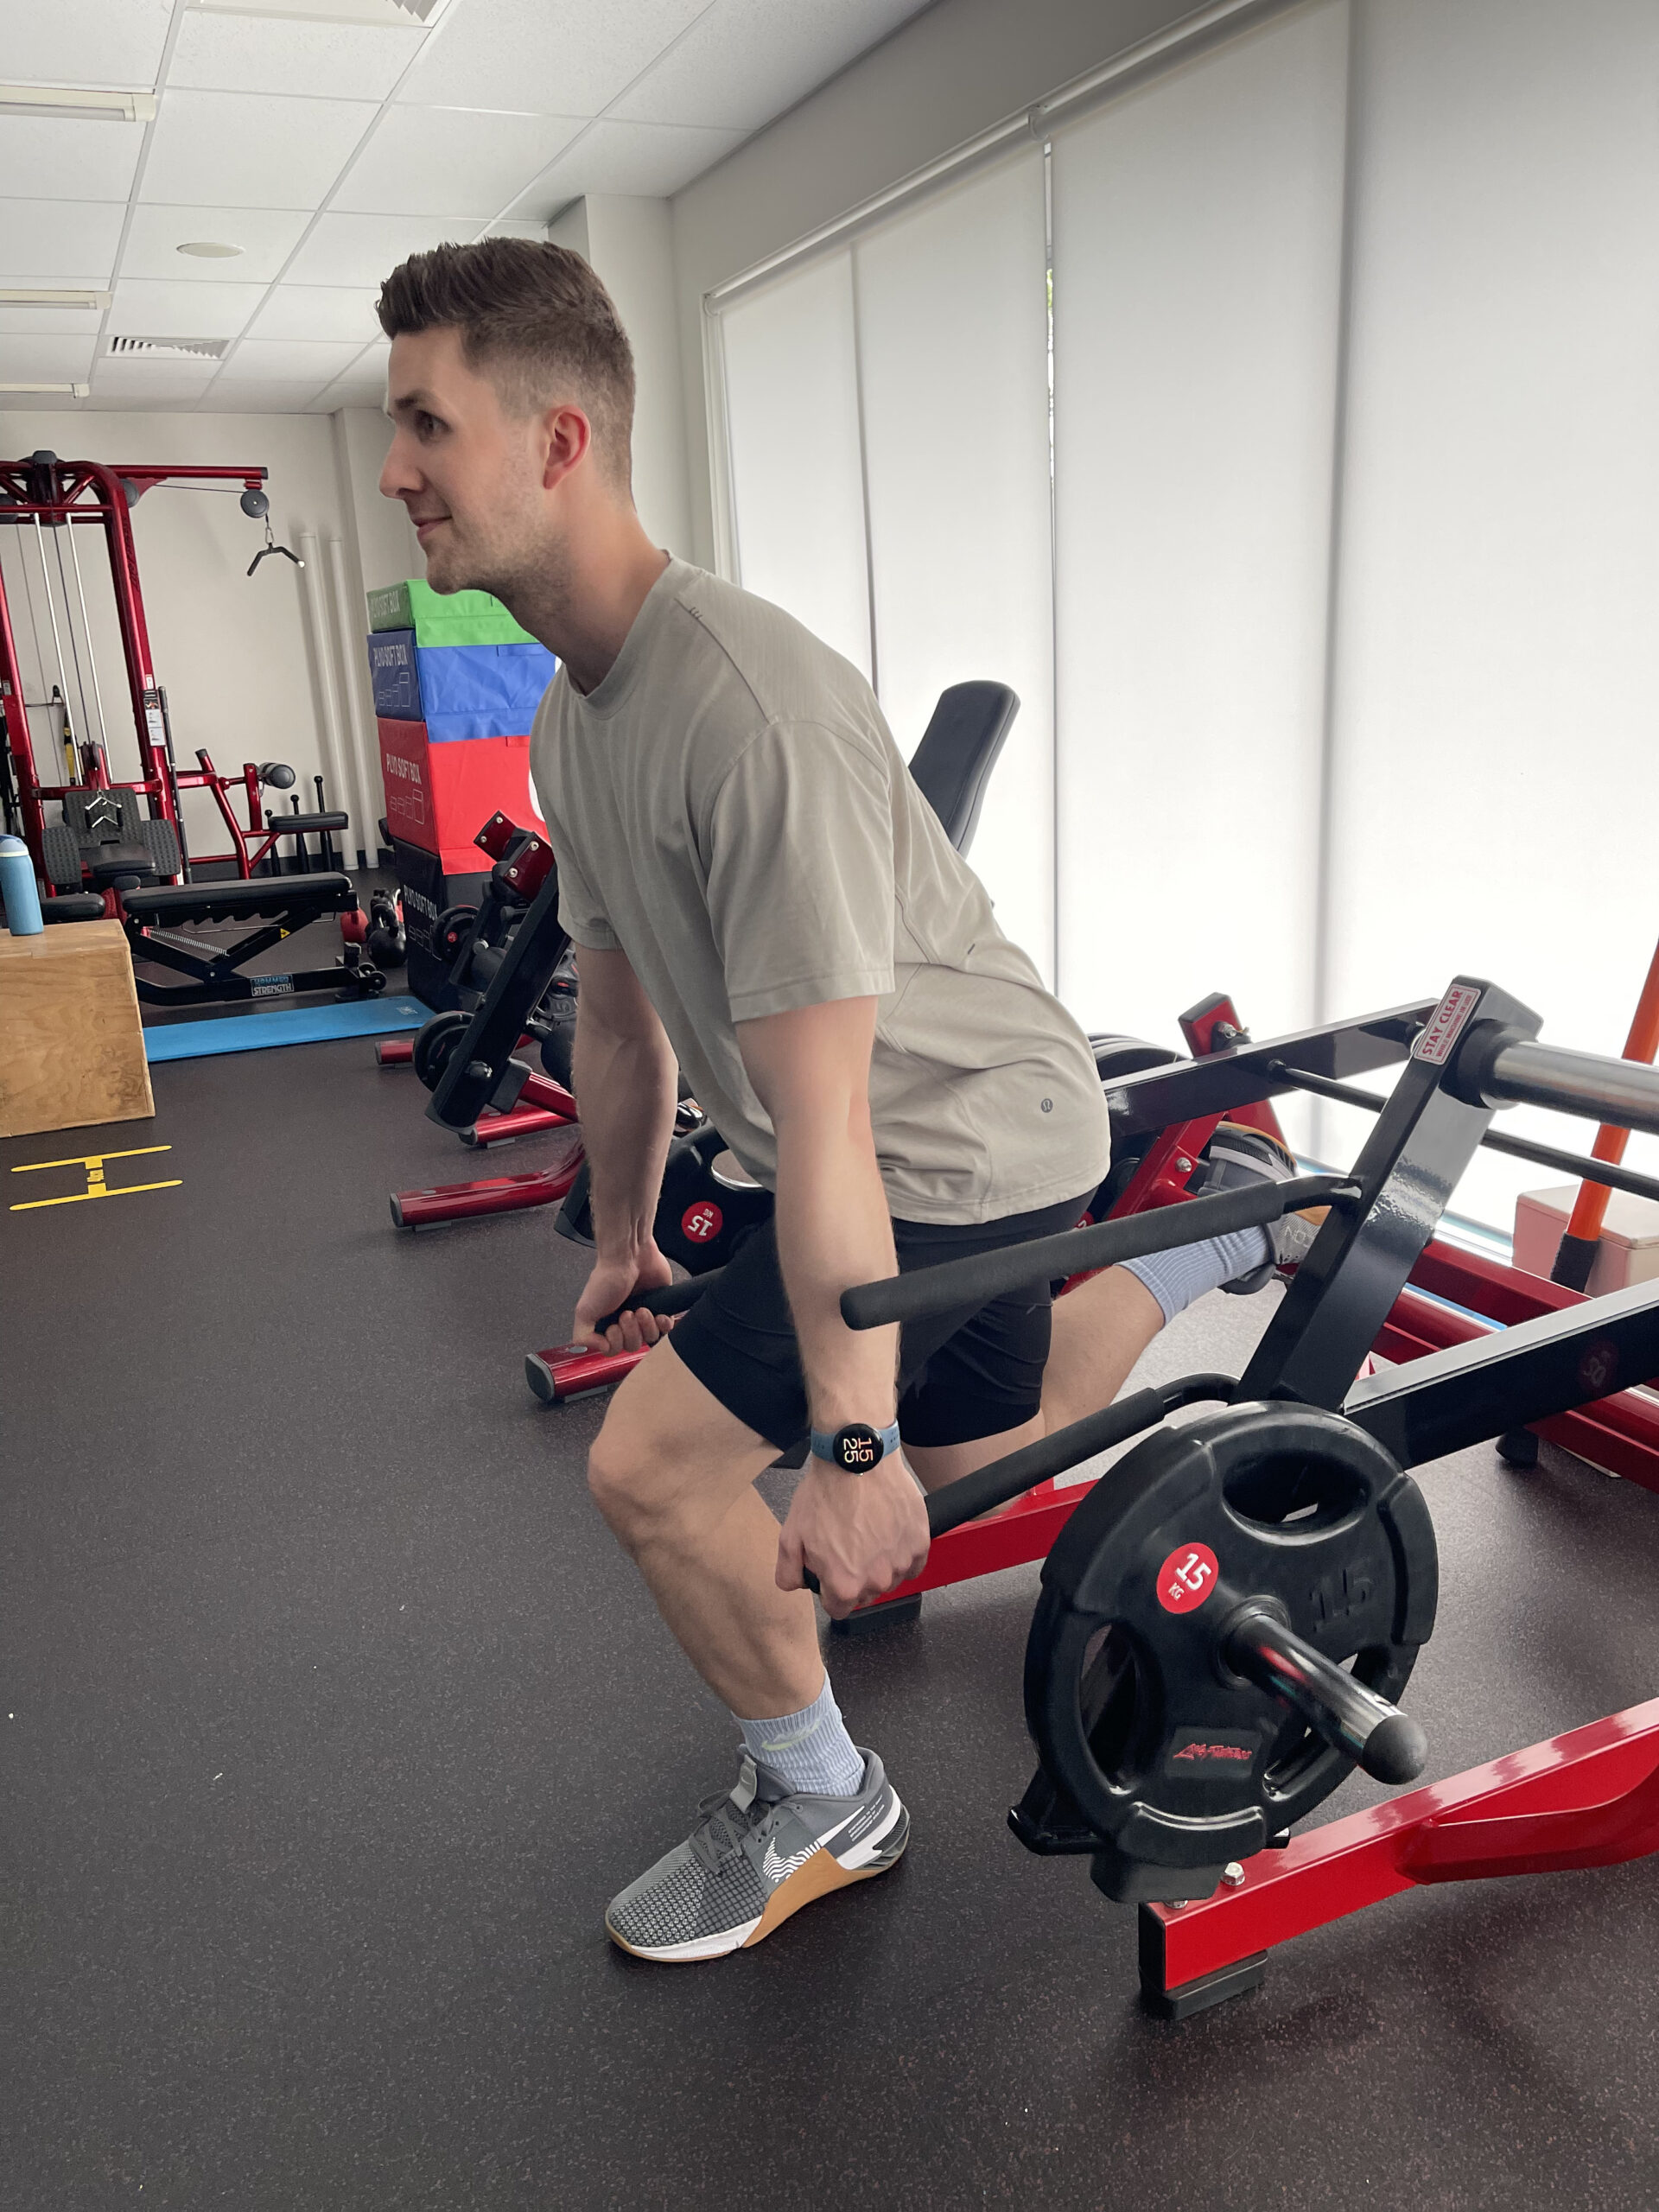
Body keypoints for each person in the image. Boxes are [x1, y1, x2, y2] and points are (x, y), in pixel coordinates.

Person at [377, 238, 1300, 1964]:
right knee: (990, 1461)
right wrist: (632, 1224)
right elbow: (629, 1022)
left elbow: (828, 1121)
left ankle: (824, 1801)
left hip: (948, 1139)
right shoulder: (580, 718)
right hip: (963, 1135)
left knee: (654, 1469)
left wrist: (849, 1438)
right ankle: (1204, 1250)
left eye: (427, 423)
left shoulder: (741, 702)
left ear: (557, 439)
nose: (394, 467)